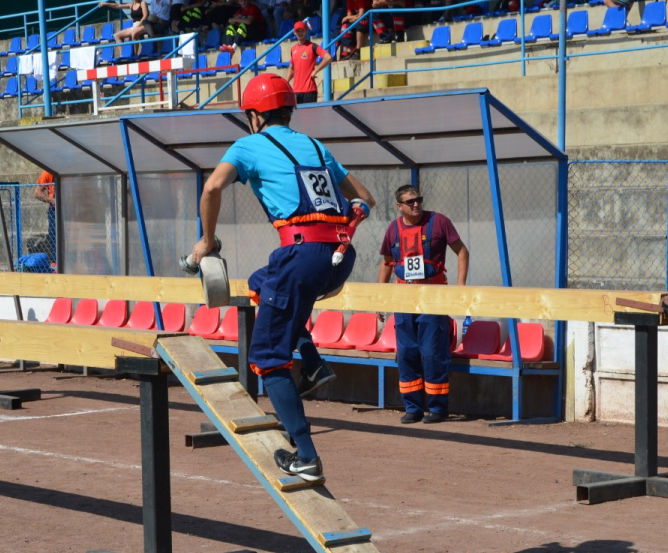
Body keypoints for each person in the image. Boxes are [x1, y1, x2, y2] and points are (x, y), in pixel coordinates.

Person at [187, 73, 375, 482]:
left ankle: (306, 456)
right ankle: (313, 363)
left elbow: (212, 188)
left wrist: (207, 240)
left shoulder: (248, 145)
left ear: (254, 115)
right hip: (339, 256)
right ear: (288, 111)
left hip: (300, 255)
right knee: (261, 282)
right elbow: (366, 199)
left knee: (267, 360)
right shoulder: (315, 146)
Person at [377, 185, 469, 424]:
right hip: (403, 298)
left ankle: (438, 408)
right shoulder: (393, 229)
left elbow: (462, 251)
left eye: (418, 200)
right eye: (410, 202)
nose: (416, 204)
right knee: (407, 353)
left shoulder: (439, 222)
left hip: (433, 297)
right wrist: (380, 297)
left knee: (432, 352)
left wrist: (460, 286)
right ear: (399, 206)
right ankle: (412, 408)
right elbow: (387, 262)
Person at [285, 20, 331, 104]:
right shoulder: (293, 49)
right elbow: (291, 68)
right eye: (298, 31)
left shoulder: (312, 46)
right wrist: (286, 82)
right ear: (294, 33)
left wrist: (316, 70)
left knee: (309, 113)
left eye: (302, 30)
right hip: (296, 91)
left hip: (309, 90)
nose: (300, 33)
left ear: (306, 31)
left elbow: (328, 57)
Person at [32, 170, 56, 263]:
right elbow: (37, 192)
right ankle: (55, 263)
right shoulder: (48, 172)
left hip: (72, 210)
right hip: (55, 211)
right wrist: (52, 200)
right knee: (55, 237)